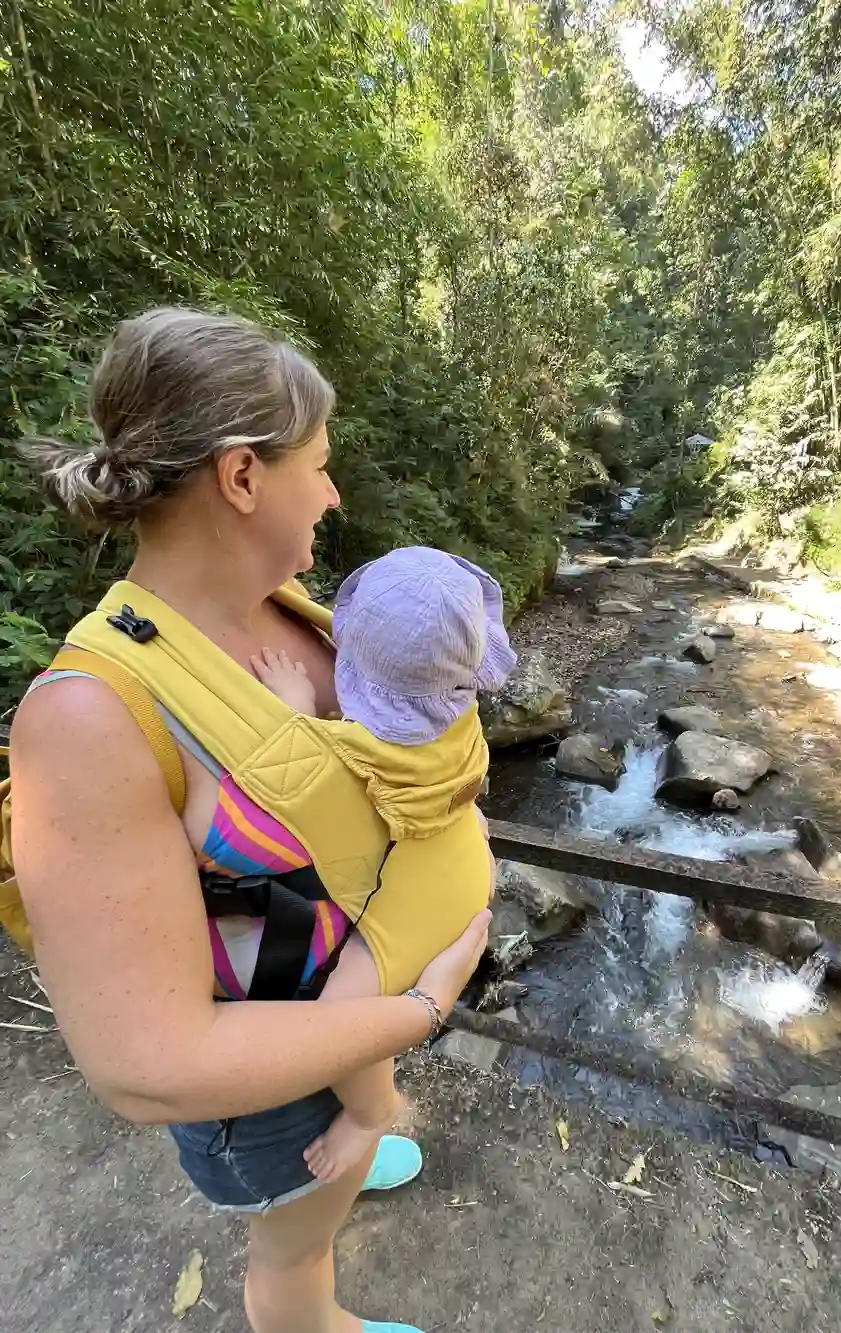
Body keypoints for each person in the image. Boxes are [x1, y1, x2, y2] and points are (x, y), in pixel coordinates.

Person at [10, 307, 493, 1333]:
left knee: (356, 1143)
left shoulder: (291, 602)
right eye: (317, 464)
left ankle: (358, 1142)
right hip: (270, 1090)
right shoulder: (88, 720)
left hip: (346, 1000)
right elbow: (149, 1066)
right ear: (241, 477)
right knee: (295, 1250)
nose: (333, 491)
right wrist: (426, 1001)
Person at [250, 545, 516, 1185]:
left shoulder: (342, 750)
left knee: (341, 1022)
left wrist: (293, 709)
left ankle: (371, 1113)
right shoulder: (459, 715)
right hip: (463, 860)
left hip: (415, 905)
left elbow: (306, 793)